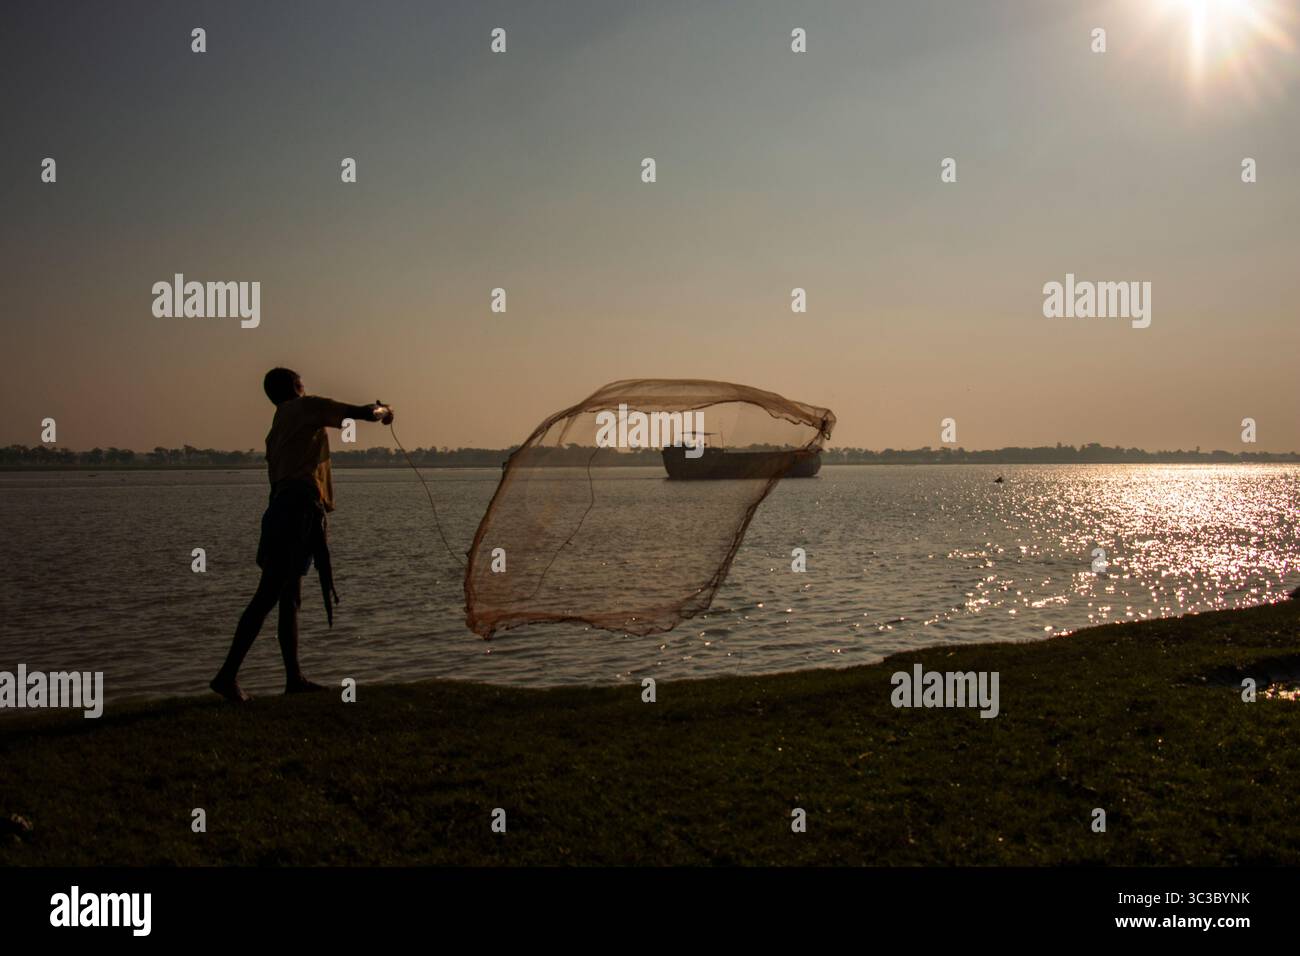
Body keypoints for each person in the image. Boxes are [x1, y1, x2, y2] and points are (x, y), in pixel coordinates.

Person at [210, 368, 394, 702]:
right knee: (268, 594)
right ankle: (227, 675)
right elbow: (362, 413)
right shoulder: (305, 407)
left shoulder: (278, 424)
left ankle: (294, 678)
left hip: (283, 508)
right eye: (302, 384)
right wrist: (385, 411)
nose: (306, 388)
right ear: (296, 387)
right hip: (297, 510)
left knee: (289, 598)